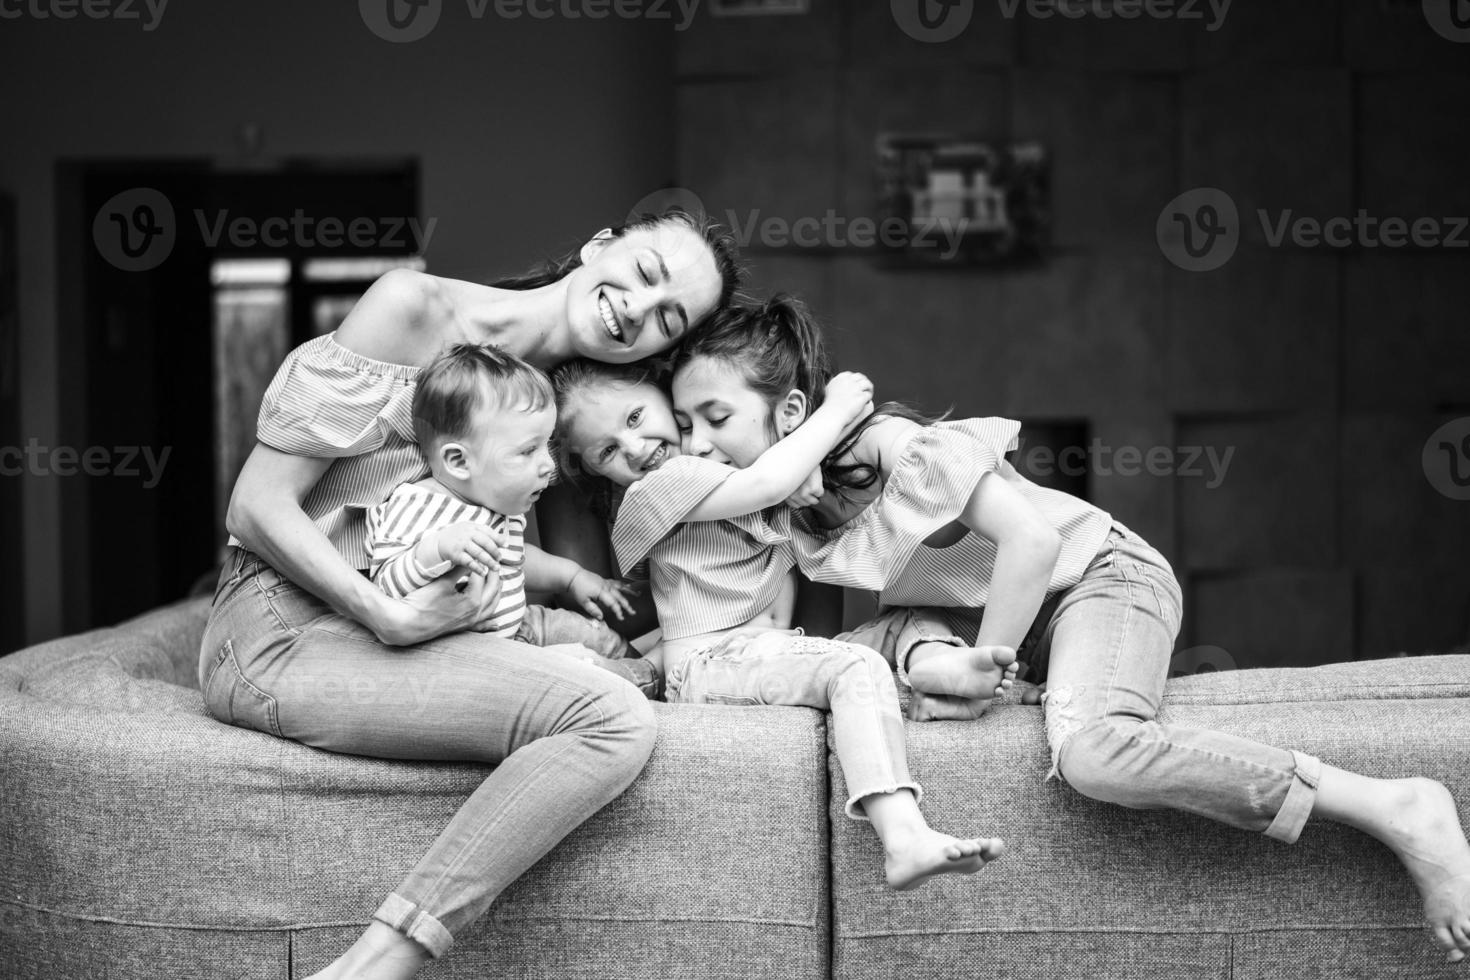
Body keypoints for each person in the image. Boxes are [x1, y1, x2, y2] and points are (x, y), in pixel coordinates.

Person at [668, 293, 1470, 964]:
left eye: (714, 417)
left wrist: (994, 660)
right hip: (987, 625)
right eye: (683, 424)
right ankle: (953, 677)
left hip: (1099, 578)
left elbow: (1035, 541)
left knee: (1093, 752)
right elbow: (828, 647)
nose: (695, 442)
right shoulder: (790, 514)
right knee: (859, 654)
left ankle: (1394, 803)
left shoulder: (895, 449)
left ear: (794, 410)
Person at [202, 208, 742, 980]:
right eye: (647, 273)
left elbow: (568, 586)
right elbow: (253, 508)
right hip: (275, 630)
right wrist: (384, 613)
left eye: (669, 317)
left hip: (407, 629)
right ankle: (369, 969)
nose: (639, 308)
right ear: (600, 246)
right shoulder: (412, 309)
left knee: (617, 678)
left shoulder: (550, 417)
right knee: (612, 720)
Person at [554, 359, 1006, 891]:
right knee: (854, 665)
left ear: (663, 399)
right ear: (594, 469)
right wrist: (836, 411)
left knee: (907, 619)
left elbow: (772, 477)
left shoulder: (736, 475)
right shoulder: (653, 492)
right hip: (710, 667)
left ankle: (932, 666)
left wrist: (802, 467)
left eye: (635, 417)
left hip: (768, 652)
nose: (632, 447)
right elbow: (769, 482)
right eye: (606, 451)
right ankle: (903, 836)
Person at [365, 342, 663, 697]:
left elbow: (517, 558)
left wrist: (572, 578)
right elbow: (386, 582)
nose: (549, 465)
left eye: (546, 447)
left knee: (594, 634)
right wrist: (437, 549)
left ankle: (642, 673)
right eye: (528, 450)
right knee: (576, 671)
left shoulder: (495, 505)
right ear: (459, 462)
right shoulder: (418, 503)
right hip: (477, 655)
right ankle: (640, 683)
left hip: (521, 624)